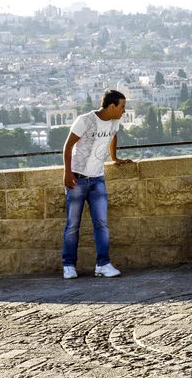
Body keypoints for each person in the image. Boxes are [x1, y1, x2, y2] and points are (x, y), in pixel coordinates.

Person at [61, 89, 133, 279]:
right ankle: (68, 265)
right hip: (78, 178)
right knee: (72, 225)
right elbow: (68, 145)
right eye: (122, 106)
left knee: (101, 224)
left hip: (98, 179)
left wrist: (114, 158)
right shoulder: (84, 120)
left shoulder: (115, 122)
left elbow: (113, 135)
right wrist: (67, 173)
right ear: (112, 106)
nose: (124, 110)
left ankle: (103, 264)